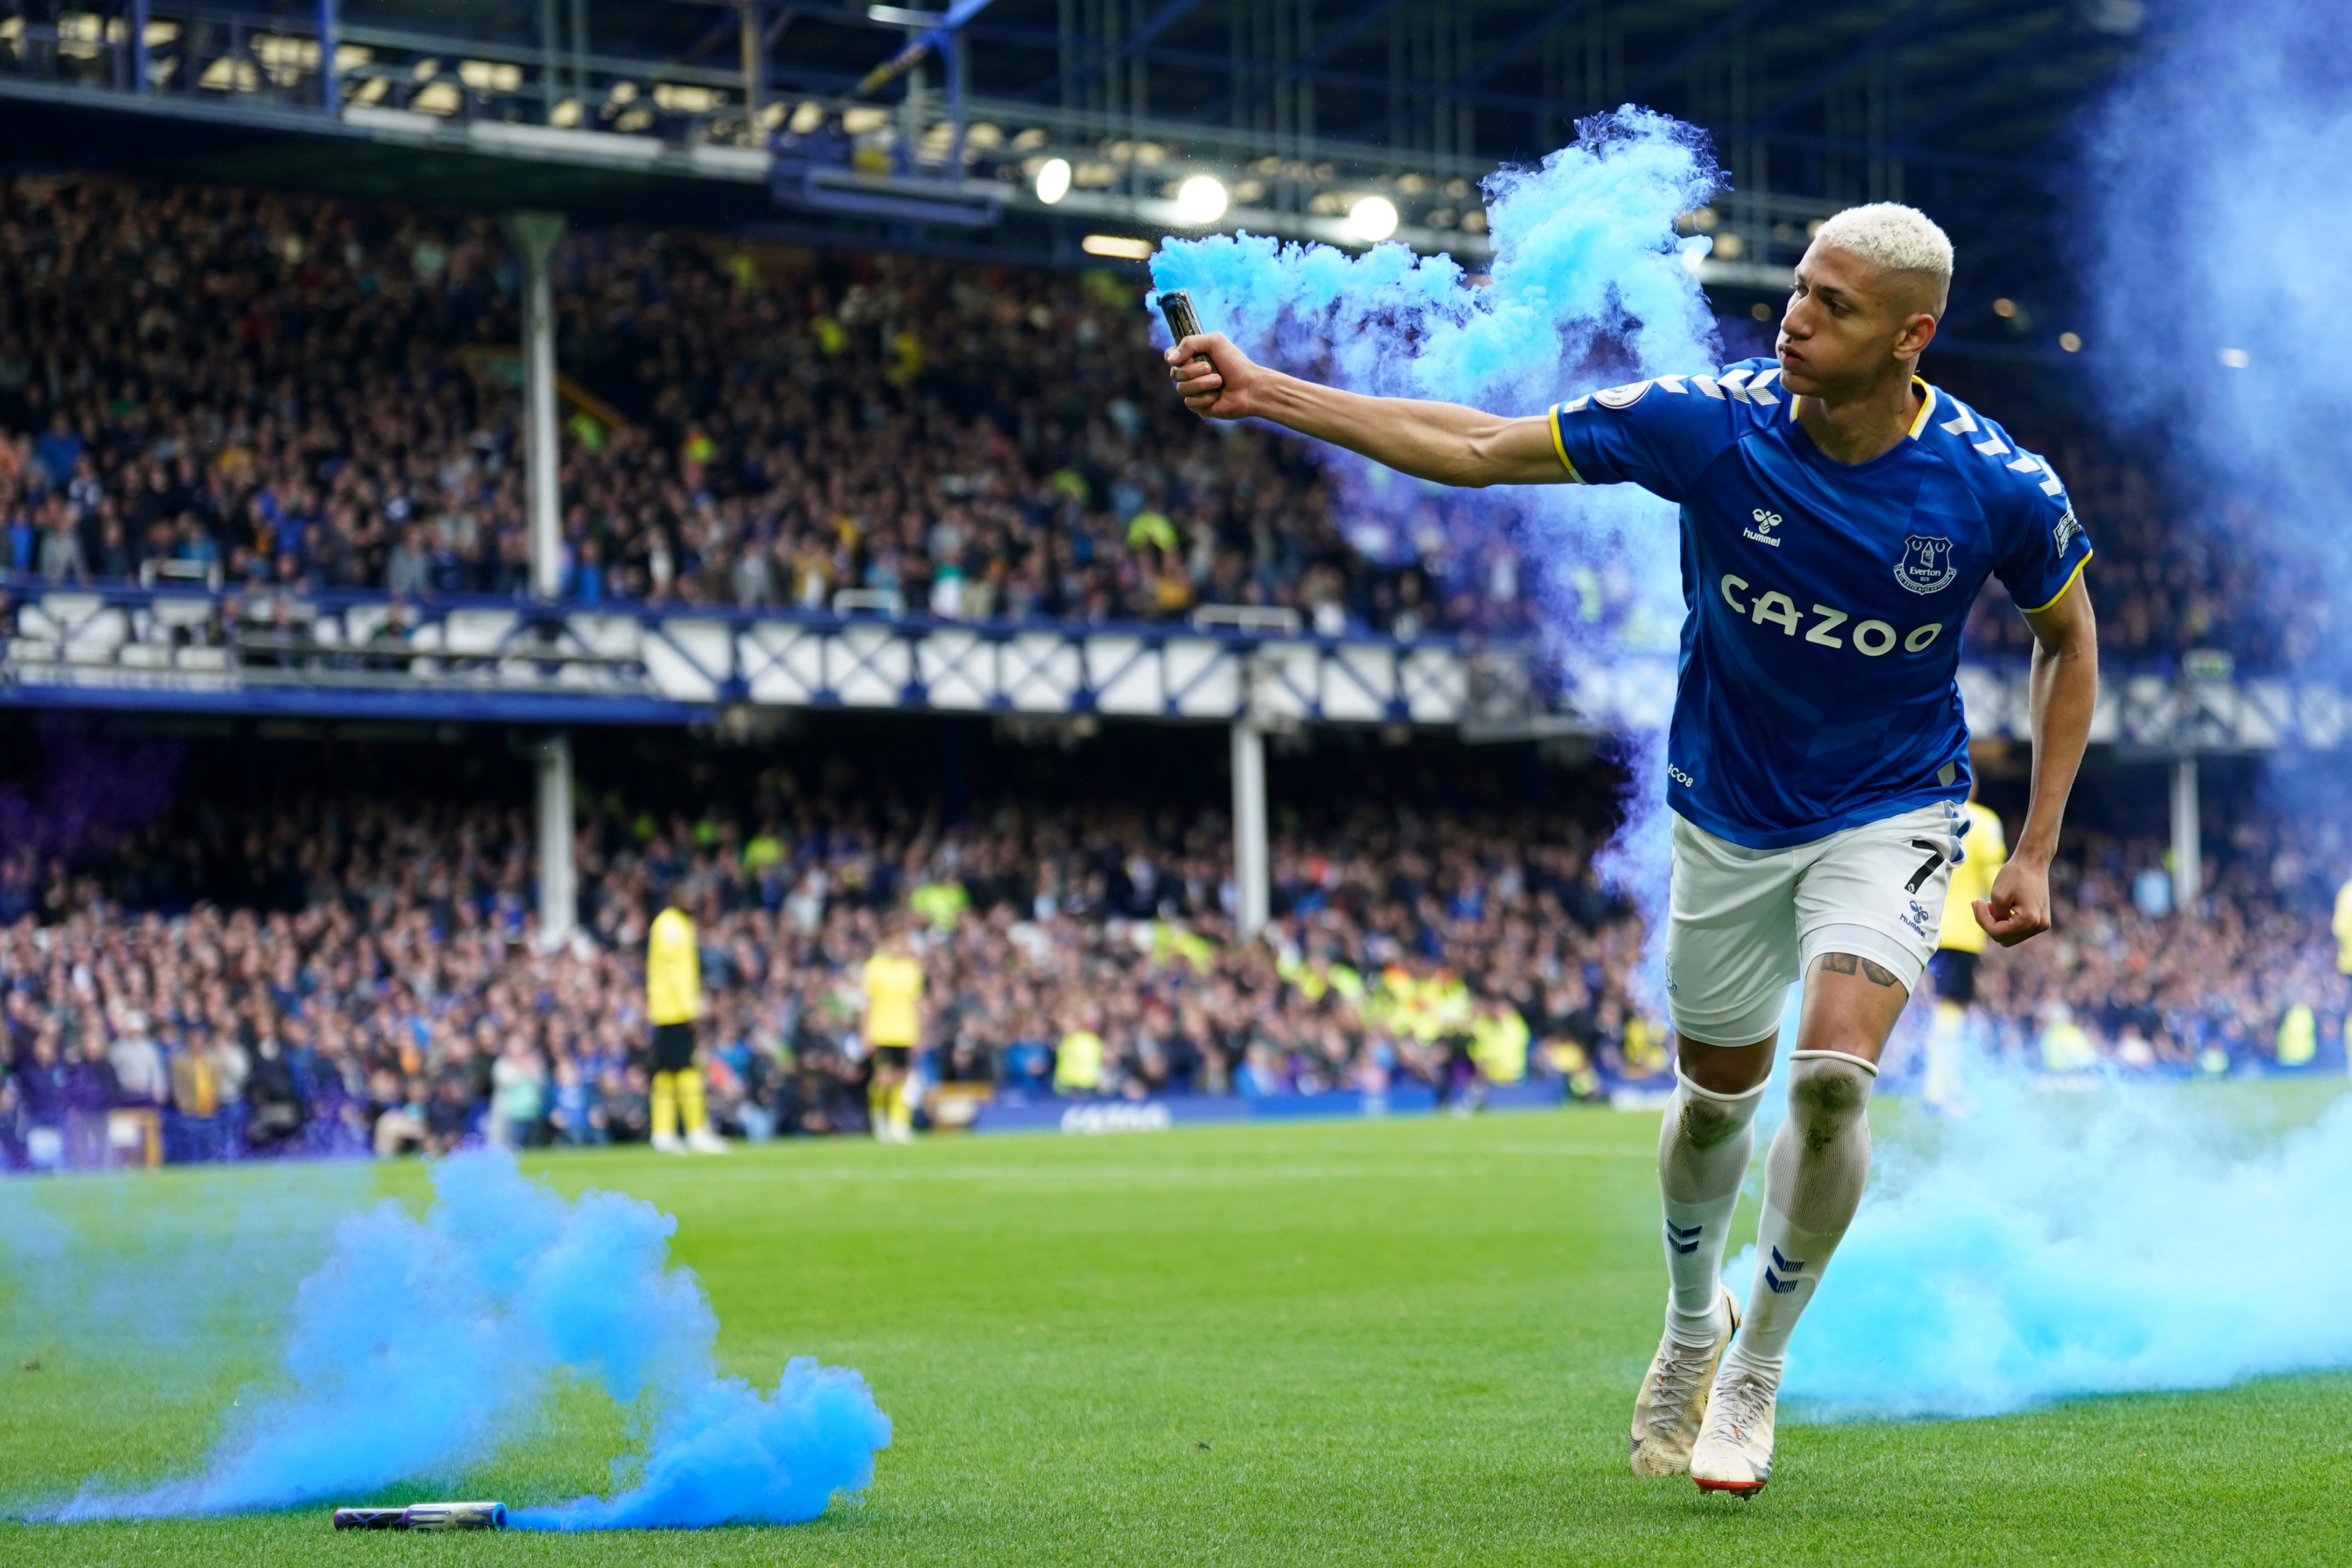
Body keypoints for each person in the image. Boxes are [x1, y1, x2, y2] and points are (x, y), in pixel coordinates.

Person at [1164, 202, 2097, 1495]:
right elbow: (1483, 448)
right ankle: (1686, 1323)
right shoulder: (1708, 423)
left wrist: (2035, 847)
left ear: (1909, 336)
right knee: (1715, 1102)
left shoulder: (1995, 483)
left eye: (1831, 303)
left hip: (1891, 807)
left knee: (1829, 1080)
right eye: (1797, 287)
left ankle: (1755, 1368)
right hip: (1720, 811)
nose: (1794, 313)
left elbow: (2068, 637)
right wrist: (1265, 391)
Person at [1922, 782, 2008, 1114]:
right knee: (1951, 1008)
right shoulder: (1985, 822)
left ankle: (1946, 1083)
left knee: (1935, 1010)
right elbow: (1994, 875)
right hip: (1962, 931)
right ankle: (1939, 1090)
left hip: (1922, 925)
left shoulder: (1927, 816)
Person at [646, 888, 728, 1154]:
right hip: (673, 1011)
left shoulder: (677, 925)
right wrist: (690, 1009)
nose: (692, 900)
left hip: (670, 1009)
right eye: (687, 896)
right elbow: (673, 973)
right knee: (686, 1071)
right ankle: (694, 1131)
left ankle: (664, 1133)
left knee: (669, 1073)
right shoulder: (670, 926)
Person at [860, 922, 926, 1142]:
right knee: (883, 1078)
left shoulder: (912, 969)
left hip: (905, 1031)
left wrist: (919, 1033)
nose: (899, 947)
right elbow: (867, 1003)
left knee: (902, 1078)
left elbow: (916, 1004)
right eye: (895, 942)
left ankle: (899, 1123)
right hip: (881, 1031)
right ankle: (879, 1118)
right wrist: (865, 1033)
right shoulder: (875, 967)